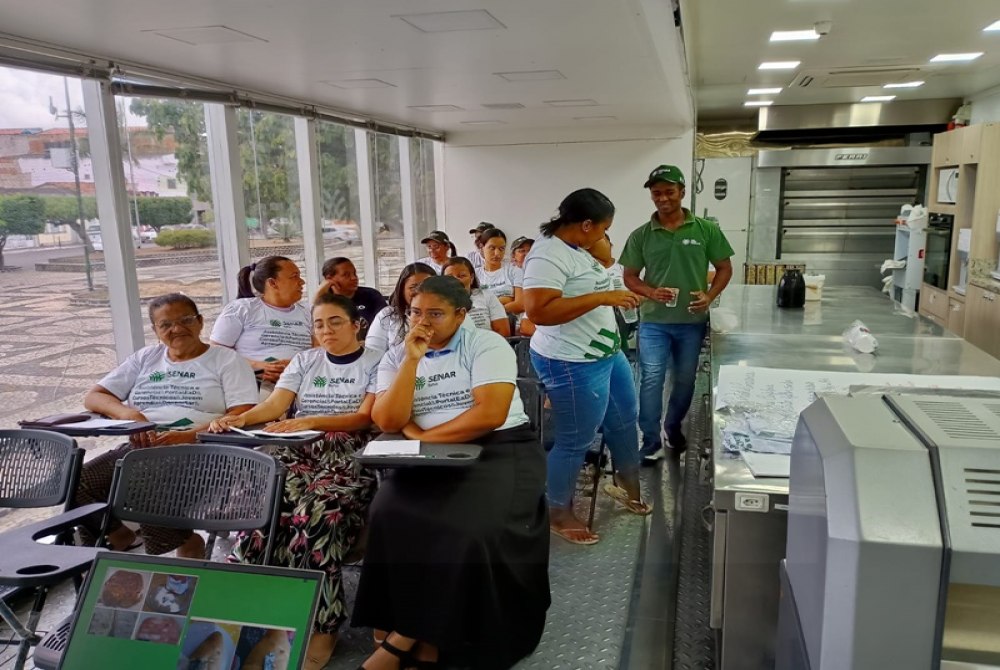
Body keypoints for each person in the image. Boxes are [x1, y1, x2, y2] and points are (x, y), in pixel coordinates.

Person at [351, 276, 549, 670]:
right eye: (415, 313)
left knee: (468, 529)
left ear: (460, 315)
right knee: (387, 512)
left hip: (499, 449)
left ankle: (409, 637)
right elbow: (387, 419)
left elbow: (490, 413)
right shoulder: (398, 355)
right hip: (429, 455)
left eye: (435, 314)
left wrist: (422, 437)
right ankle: (418, 632)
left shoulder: (486, 344)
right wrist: (412, 361)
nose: (423, 322)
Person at [209, 293, 379, 670]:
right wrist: (239, 419)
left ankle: (323, 624)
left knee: (316, 516)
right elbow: (274, 405)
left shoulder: (377, 360)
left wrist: (311, 420)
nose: (326, 330)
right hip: (296, 448)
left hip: (346, 454)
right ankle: (257, 611)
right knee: (262, 509)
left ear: (356, 325)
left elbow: (366, 417)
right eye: (319, 323)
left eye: (335, 321)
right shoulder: (305, 360)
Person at [75, 294, 258, 557]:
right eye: (166, 324)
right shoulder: (146, 358)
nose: (177, 329)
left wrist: (190, 436)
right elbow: (95, 396)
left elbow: (243, 412)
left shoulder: (226, 360)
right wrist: (131, 415)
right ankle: (120, 534)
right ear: (155, 330)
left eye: (186, 320)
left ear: (200, 322)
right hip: (141, 447)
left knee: (143, 477)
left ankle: (168, 552)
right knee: (77, 481)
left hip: (202, 452)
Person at [522, 188, 648, 546]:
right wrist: (603, 297)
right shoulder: (547, 255)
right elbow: (538, 311)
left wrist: (606, 263)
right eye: (604, 229)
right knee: (576, 439)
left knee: (625, 418)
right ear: (587, 224)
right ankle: (557, 511)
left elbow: (601, 271)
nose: (607, 236)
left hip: (605, 353)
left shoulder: (580, 248)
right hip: (571, 360)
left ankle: (626, 482)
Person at [620, 164, 734, 460]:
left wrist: (709, 296)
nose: (663, 198)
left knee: (685, 380)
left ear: (682, 192)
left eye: (669, 192)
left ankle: (672, 429)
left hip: (691, 322)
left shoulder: (706, 230)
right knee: (651, 379)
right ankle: (650, 440)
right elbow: (629, 276)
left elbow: (724, 267)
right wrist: (650, 292)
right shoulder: (641, 235)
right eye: (656, 193)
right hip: (654, 322)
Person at [210, 256, 312, 389]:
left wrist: (296, 365)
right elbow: (217, 351)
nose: (302, 282)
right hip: (250, 381)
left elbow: (319, 350)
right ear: (272, 283)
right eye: (294, 277)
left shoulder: (308, 313)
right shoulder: (242, 309)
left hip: (299, 381)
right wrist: (256, 366)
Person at [364, 262, 437, 359]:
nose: (420, 292)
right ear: (402, 289)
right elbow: (372, 356)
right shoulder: (387, 315)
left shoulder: (445, 315)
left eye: (427, 287)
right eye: (413, 287)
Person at [312, 257, 387, 339]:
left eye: (354, 273)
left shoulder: (371, 295)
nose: (354, 278)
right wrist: (320, 291)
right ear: (329, 279)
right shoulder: (326, 301)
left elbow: (386, 322)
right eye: (346, 275)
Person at [588, 233, 640, 345]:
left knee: (621, 344)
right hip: (598, 317)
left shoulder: (622, 268)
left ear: (610, 245)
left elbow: (637, 291)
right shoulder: (589, 271)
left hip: (624, 315)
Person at [443, 256, 511, 337]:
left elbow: (503, 332)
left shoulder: (487, 296)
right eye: (450, 277)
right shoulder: (438, 302)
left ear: (471, 278)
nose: (456, 281)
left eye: (462, 276)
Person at [474, 227, 524, 316]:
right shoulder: (475, 275)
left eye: (501, 249)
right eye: (492, 248)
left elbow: (520, 304)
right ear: (482, 247)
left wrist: (490, 310)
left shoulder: (514, 270)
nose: (497, 253)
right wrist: (506, 300)